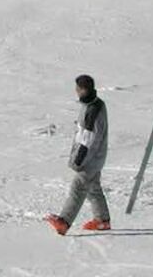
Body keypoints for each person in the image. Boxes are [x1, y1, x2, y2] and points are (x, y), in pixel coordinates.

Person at [45, 73, 110, 235]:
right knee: (93, 187)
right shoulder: (95, 104)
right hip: (96, 157)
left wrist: (78, 160)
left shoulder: (92, 110)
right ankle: (102, 220)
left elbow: (88, 140)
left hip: (90, 158)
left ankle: (64, 222)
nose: (76, 91)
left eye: (78, 88)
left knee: (78, 187)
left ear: (82, 90)